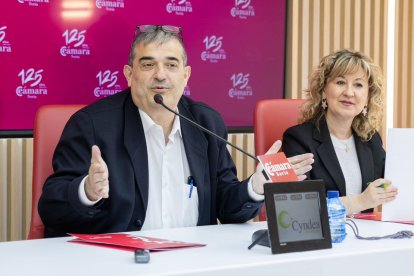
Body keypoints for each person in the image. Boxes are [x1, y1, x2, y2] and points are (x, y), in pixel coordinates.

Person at [38, 25, 314, 237]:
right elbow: (51, 208)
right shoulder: (91, 125)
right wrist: (86, 191)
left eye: (171, 65)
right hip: (116, 262)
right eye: (148, 64)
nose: (160, 74)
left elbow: (227, 207)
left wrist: (256, 186)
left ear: (186, 75)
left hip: (193, 262)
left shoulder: (206, 123)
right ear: (129, 74)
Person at [282, 49, 398, 215]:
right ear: (324, 90)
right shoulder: (298, 139)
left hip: (364, 236)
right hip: (323, 237)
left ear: (367, 97)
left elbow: (392, 183)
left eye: (358, 85)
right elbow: (300, 206)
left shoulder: (370, 139)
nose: (349, 92)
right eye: (340, 82)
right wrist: (361, 201)